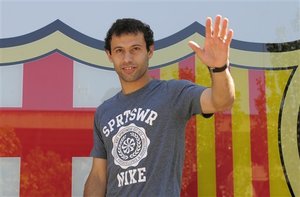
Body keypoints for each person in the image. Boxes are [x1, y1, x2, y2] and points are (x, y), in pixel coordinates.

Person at [84, 15, 235, 197]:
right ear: (110, 55)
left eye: (135, 49)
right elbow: (99, 176)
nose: (127, 58)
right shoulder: (104, 111)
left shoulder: (172, 93)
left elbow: (221, 101)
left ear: (150, 51)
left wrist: (219, 68)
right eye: (119, 51)